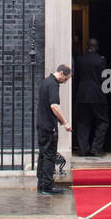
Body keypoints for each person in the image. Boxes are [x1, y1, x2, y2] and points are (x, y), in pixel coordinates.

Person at [36, 64, 71, 196]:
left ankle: (41, 184)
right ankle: (47, 186)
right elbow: (54, 106)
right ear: (61, 73)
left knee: (43, 154)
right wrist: (65, 122)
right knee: (49, 155)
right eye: (66, 78)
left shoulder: (45, 82)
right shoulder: (53, 85)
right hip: (48, 126)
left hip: (41, 124)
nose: (65, 81)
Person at [74, 39, 110, 156]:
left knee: (83, 123)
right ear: (97, 47)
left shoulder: (80, 60)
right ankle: (96, 147)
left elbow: (77, 77)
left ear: (87, 46)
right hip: (97, 94)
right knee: (103, 121)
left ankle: (83, 149)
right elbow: (104, 78)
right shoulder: (101, 60)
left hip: (82, 94)